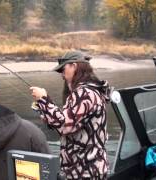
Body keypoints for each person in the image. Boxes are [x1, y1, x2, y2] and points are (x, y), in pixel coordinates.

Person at [30, 51, 112, 180]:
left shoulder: (85, 93)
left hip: (85, 172)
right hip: (85, 169)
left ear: (74, 66)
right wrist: (48, 117)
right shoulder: (89, 91)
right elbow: (72, 124)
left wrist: (43, 100)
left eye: (63, 69)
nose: (62, 75)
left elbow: (65, 126)